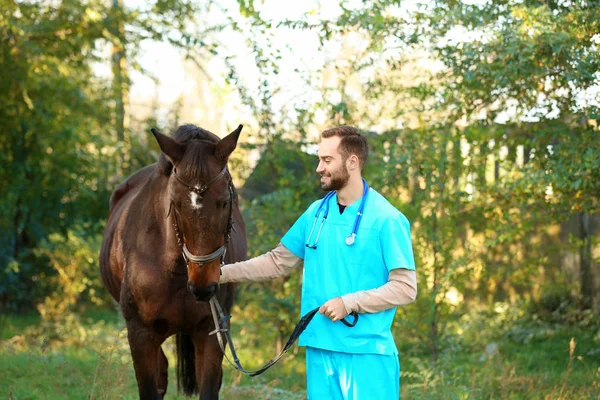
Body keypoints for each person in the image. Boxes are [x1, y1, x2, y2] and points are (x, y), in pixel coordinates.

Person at [220, 125, 417, 400]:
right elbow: (278, 262)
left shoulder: (387, 219)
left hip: (366, 353)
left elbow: (406, 288)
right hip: (320, 347)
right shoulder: (316, 213)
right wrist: (220, 273)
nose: (318, 168)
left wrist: (349, 302)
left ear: (352, 162)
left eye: (327, 160)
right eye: (319, 159)